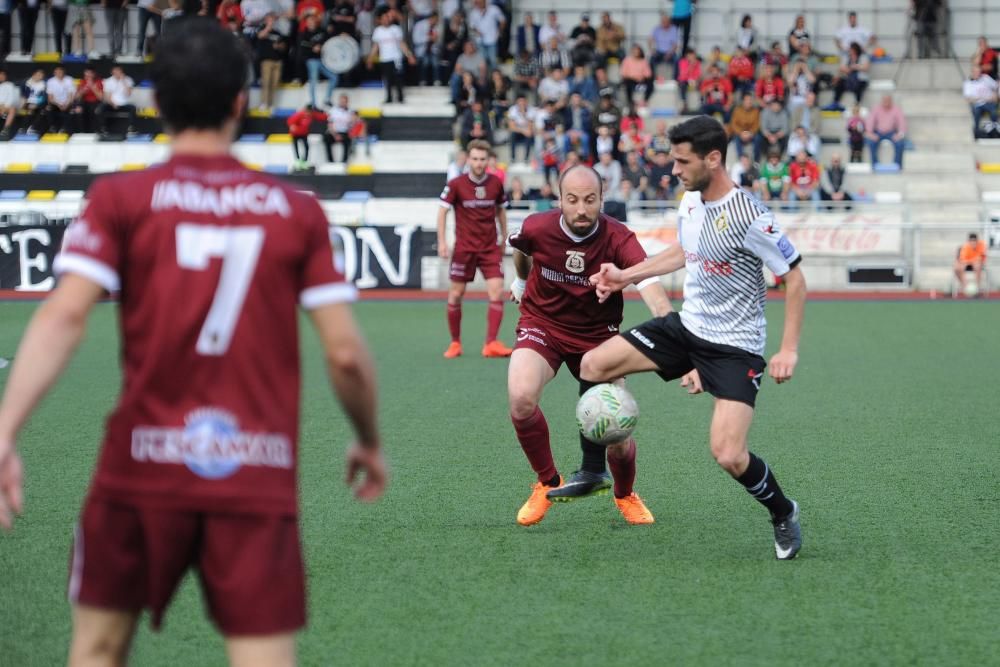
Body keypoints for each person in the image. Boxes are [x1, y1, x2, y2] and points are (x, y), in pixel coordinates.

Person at [0, 19, 386, 666]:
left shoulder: (120, 198)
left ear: (156, 103)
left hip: (139, 466)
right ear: (242, 101)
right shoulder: (294, 211)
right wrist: (369, 440)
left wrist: (5, 430)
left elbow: (64, 316)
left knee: (96, 649)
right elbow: (345, 354)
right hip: (254, 469)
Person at [579, 115, 805, 560]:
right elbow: (684, 250)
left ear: (713, 158)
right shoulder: (691, 201)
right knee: (593, 364)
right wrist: (626, 275)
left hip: (734, 346)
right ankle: (593, 471)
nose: (675, 170)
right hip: (686, 329)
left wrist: (788, 348)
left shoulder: (752, 216)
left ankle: (782, 511)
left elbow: (794, 279)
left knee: (728, 454)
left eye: (683, 161)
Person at [506, 165, 680, 526]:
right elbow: (521, 247)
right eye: (572, 200)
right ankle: (546, 483)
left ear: (602, 198)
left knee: (617, 431)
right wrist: (522, 281)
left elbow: (648, 284)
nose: (581, 209)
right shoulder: (538, 226)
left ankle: (624, 493)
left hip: (598, 338)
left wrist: (672, 330)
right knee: (521, 398)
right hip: (544, 325)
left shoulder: (619, 238)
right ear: (559, 200)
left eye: (589, 200)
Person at [437, 139, 513, 360]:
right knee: (456, 294)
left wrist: (504, 236)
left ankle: (491, 344)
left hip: (489, 248)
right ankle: (455, 343)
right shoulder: (456, 184)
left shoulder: (496, 184)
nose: (479, 163)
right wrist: (442, 241)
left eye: (482, 159)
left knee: (497, 290)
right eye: (475, 159)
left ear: (488, 161)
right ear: (468, 159)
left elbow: (500, 211)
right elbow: (442, 211)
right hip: (464, 248)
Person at [367, 6, 415, 104]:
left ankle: (400, 98)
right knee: (387, 79)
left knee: (398, 78)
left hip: (396, 58)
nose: (386, 20)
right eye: (384, 18)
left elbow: (402, 44)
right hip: (385, 59)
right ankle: (389, 98)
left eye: (387, 17)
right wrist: (370, 59)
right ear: (380, 20)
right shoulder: (378, 31)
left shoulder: (396, 29)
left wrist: (409, 55)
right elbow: (375, 47)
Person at [287, 102, 326, 168]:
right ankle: (298, 160)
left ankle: (305, 161)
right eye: (307, 111)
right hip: (295, 134)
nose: (308, 114)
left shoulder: (312, 115)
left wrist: (323, 112)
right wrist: (292, 126)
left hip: (304, 134)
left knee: (306, 147)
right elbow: (290, 121)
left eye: (310, 112)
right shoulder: (300, 114)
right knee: (296, 147)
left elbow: (323, 117)